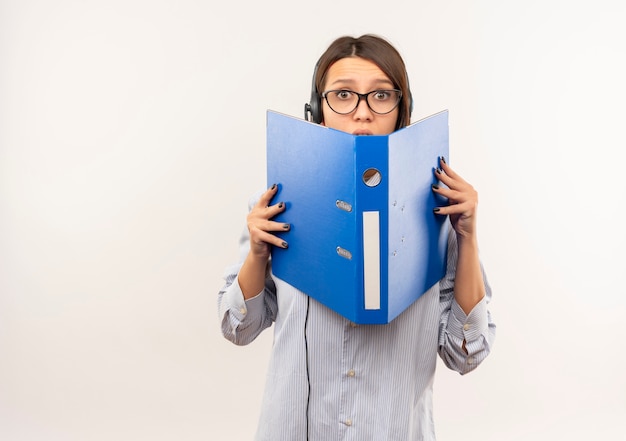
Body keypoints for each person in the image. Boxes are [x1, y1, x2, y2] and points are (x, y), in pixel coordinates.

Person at [218, 34, 496, 441]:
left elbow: (466, 352)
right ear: (317, 111)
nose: (362, 113)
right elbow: (236, 327)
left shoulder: (442, 214)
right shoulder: (277, 204)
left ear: (402, 112)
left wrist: (467, 238)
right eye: (343, 95)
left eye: (381, 96)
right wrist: (258, 253)